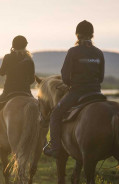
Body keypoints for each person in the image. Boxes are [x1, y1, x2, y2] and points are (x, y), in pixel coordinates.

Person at [43, 20, 105, 158]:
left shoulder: (73, 51)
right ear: (92, 35)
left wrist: (71, 84)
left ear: (77, 35)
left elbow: (65, 76)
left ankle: (55, 148)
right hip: (96, 93)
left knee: (55, 114)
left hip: (77, 92)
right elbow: (101, 78)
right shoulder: (99, 53)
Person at [0, 35, 35, 153]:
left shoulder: (8, 57)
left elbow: (1, 72)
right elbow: (31, 80)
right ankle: (43, 142)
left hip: (8, 93)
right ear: (25, 46)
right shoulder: (29, 60)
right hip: (26, 94)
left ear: (13, 46)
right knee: (39, 114)